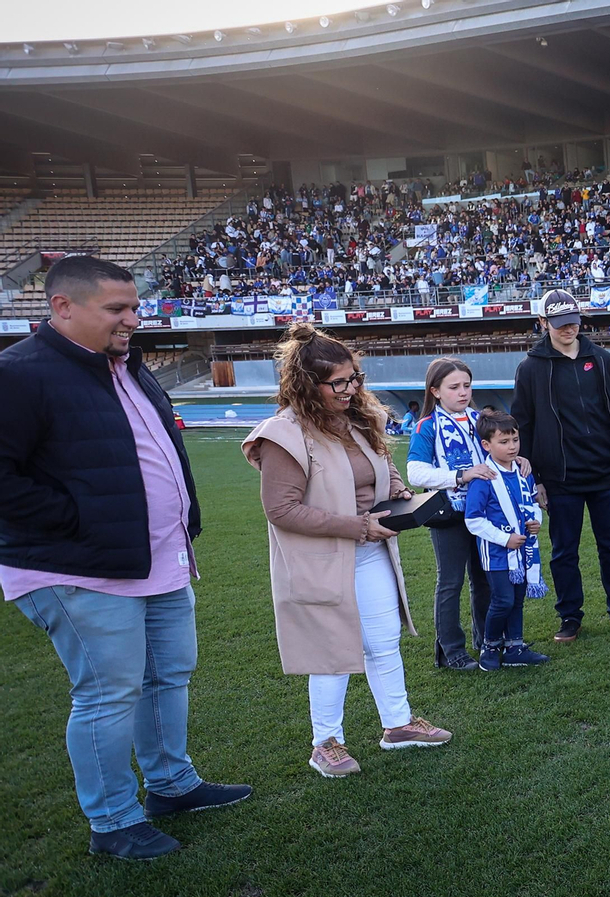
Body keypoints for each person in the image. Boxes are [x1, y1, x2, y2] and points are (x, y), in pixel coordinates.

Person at [0, 256, 249, 860]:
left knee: (167, 675)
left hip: (156, 561)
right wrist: (86, 523)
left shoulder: (127, 366)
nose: (133, 319)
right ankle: (112, 821)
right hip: (79, 568)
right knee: (108, 694)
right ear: (62, 307)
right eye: (117, 309)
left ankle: (170, 784)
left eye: (135, 307)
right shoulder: (19, 373)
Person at [244, 324, 453, 780]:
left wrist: (399, 493)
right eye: (339, 381)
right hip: (321, 560)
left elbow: (384, 472)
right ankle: (325, 743)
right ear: (306, 385)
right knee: (331, 650)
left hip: (371, 551)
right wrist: (357, 525)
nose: (351, 388)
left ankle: (397, 725)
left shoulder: (358, 421)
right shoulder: (283, 433)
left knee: (383, 643)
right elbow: (281, 510)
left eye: (354, 377)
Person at [510, 289, 610, 643]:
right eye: (560, 324)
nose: (568, 329)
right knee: (564, 552)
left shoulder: (602, 359)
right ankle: (569, 616)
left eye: (573, 321)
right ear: (543, 323)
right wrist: (535, 479)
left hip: (606, 472)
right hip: (560, 478)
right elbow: (522, 424)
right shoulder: (530, 368)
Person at [406, 358, 526, 670]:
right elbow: (415, 473)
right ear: (435, 391)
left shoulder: (479, 419)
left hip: (486, 513)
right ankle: (450, 651)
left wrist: (518, 458)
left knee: (484, 579)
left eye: (467, 385)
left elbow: (497, 449)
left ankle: (488, 641)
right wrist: (461, 475)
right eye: (454, 387)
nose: (463, 392)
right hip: (448, 513)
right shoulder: (427, 426)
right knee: (450, 582)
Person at [464, 410, 551, 671]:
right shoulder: (485, 477)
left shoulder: (524, 471)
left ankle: (515, 647)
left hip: (524, 551)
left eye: (515, 439)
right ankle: (490, 646)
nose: (512, 446)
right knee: (502, 600)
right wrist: (504, 538)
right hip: (498, 553)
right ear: (486, 445)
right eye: (504, 441)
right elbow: (473, 519)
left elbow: (533, 503)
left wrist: (537, 522)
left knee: (517, 600)